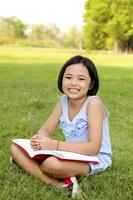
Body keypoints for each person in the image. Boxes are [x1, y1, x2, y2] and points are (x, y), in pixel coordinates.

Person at [10, 55, 112, 194]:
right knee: (15, 148)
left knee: (51, 165)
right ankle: (61, 185)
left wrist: (54, 145)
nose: (73, 83)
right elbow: (45, 129)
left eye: (81, 79)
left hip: (95, 159)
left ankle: (30, 165)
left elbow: (93, 148)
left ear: (91, 84)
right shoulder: (63, 101)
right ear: (61, 79)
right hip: (70, 153)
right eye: (68, 77)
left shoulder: (93, 104)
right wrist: (40, 140)